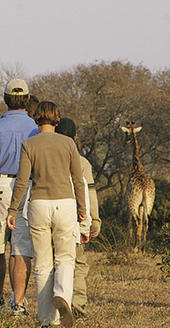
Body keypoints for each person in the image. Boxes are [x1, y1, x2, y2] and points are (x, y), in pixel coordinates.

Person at [7, 101, 86, 328]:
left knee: (42, 263)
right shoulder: (68, 144)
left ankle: (46, 319)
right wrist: (82, 209)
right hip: (65, 204)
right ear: (57, 119)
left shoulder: (29, 144)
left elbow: (22, 181)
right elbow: (78, 179)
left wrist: (13, 210)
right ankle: (62, 295)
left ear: (36, 118)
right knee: (65, 258)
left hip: (39, 205)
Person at [0, 79, 39, 315]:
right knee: (21, 248)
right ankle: (18, 302)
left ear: (5, 99)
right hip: (26, 187)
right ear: (27, 100)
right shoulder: (35, 128)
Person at [54, 117, 102, 319]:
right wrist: (94, 220)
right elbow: (89, 193)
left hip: (50, 216)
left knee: (54, 262)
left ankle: (55, 303)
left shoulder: (48, 157)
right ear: (75, 137)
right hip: (74, 218)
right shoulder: (82, 162)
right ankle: (78, 303)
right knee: (79, 263)